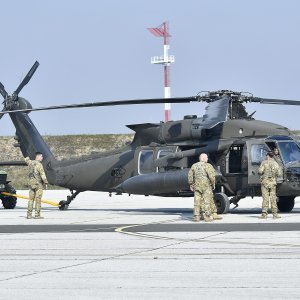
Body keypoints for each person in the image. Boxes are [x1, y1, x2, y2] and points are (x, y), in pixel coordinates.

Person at [188, 153, 222, 222]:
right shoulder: (208, 165)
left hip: (197, 186)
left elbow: (190, 176)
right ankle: (207, 216)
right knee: (207, 201)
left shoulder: (194, 165)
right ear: (203, 158)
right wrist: (213, 184)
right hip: (206, 186)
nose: (207, 159)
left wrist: (191, 184)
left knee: (197, 201)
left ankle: (196, 216)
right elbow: (211, 176)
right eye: (206, 158)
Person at [258, 151, 282, 219]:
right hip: (273, 183)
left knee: (265, 198)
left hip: (265, 183)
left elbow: (260, 171)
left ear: (268, 155)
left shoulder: (264, 162)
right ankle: (275, 214)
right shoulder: (275, 163)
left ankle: (264, 214)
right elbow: (279, 173)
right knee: (273, 198)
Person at [25, 152, 48, 219]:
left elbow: (26, 160)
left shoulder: (30, 163)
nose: (42, 158)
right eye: (41, 156)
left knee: (30, 200)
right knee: (38, 200)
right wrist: (46, 182)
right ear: (38, 157)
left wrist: (27, 154)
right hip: (38, 185)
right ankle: (37, 215)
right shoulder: (39, 165)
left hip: (31, 184)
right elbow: (42, 174)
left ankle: (29, 215)